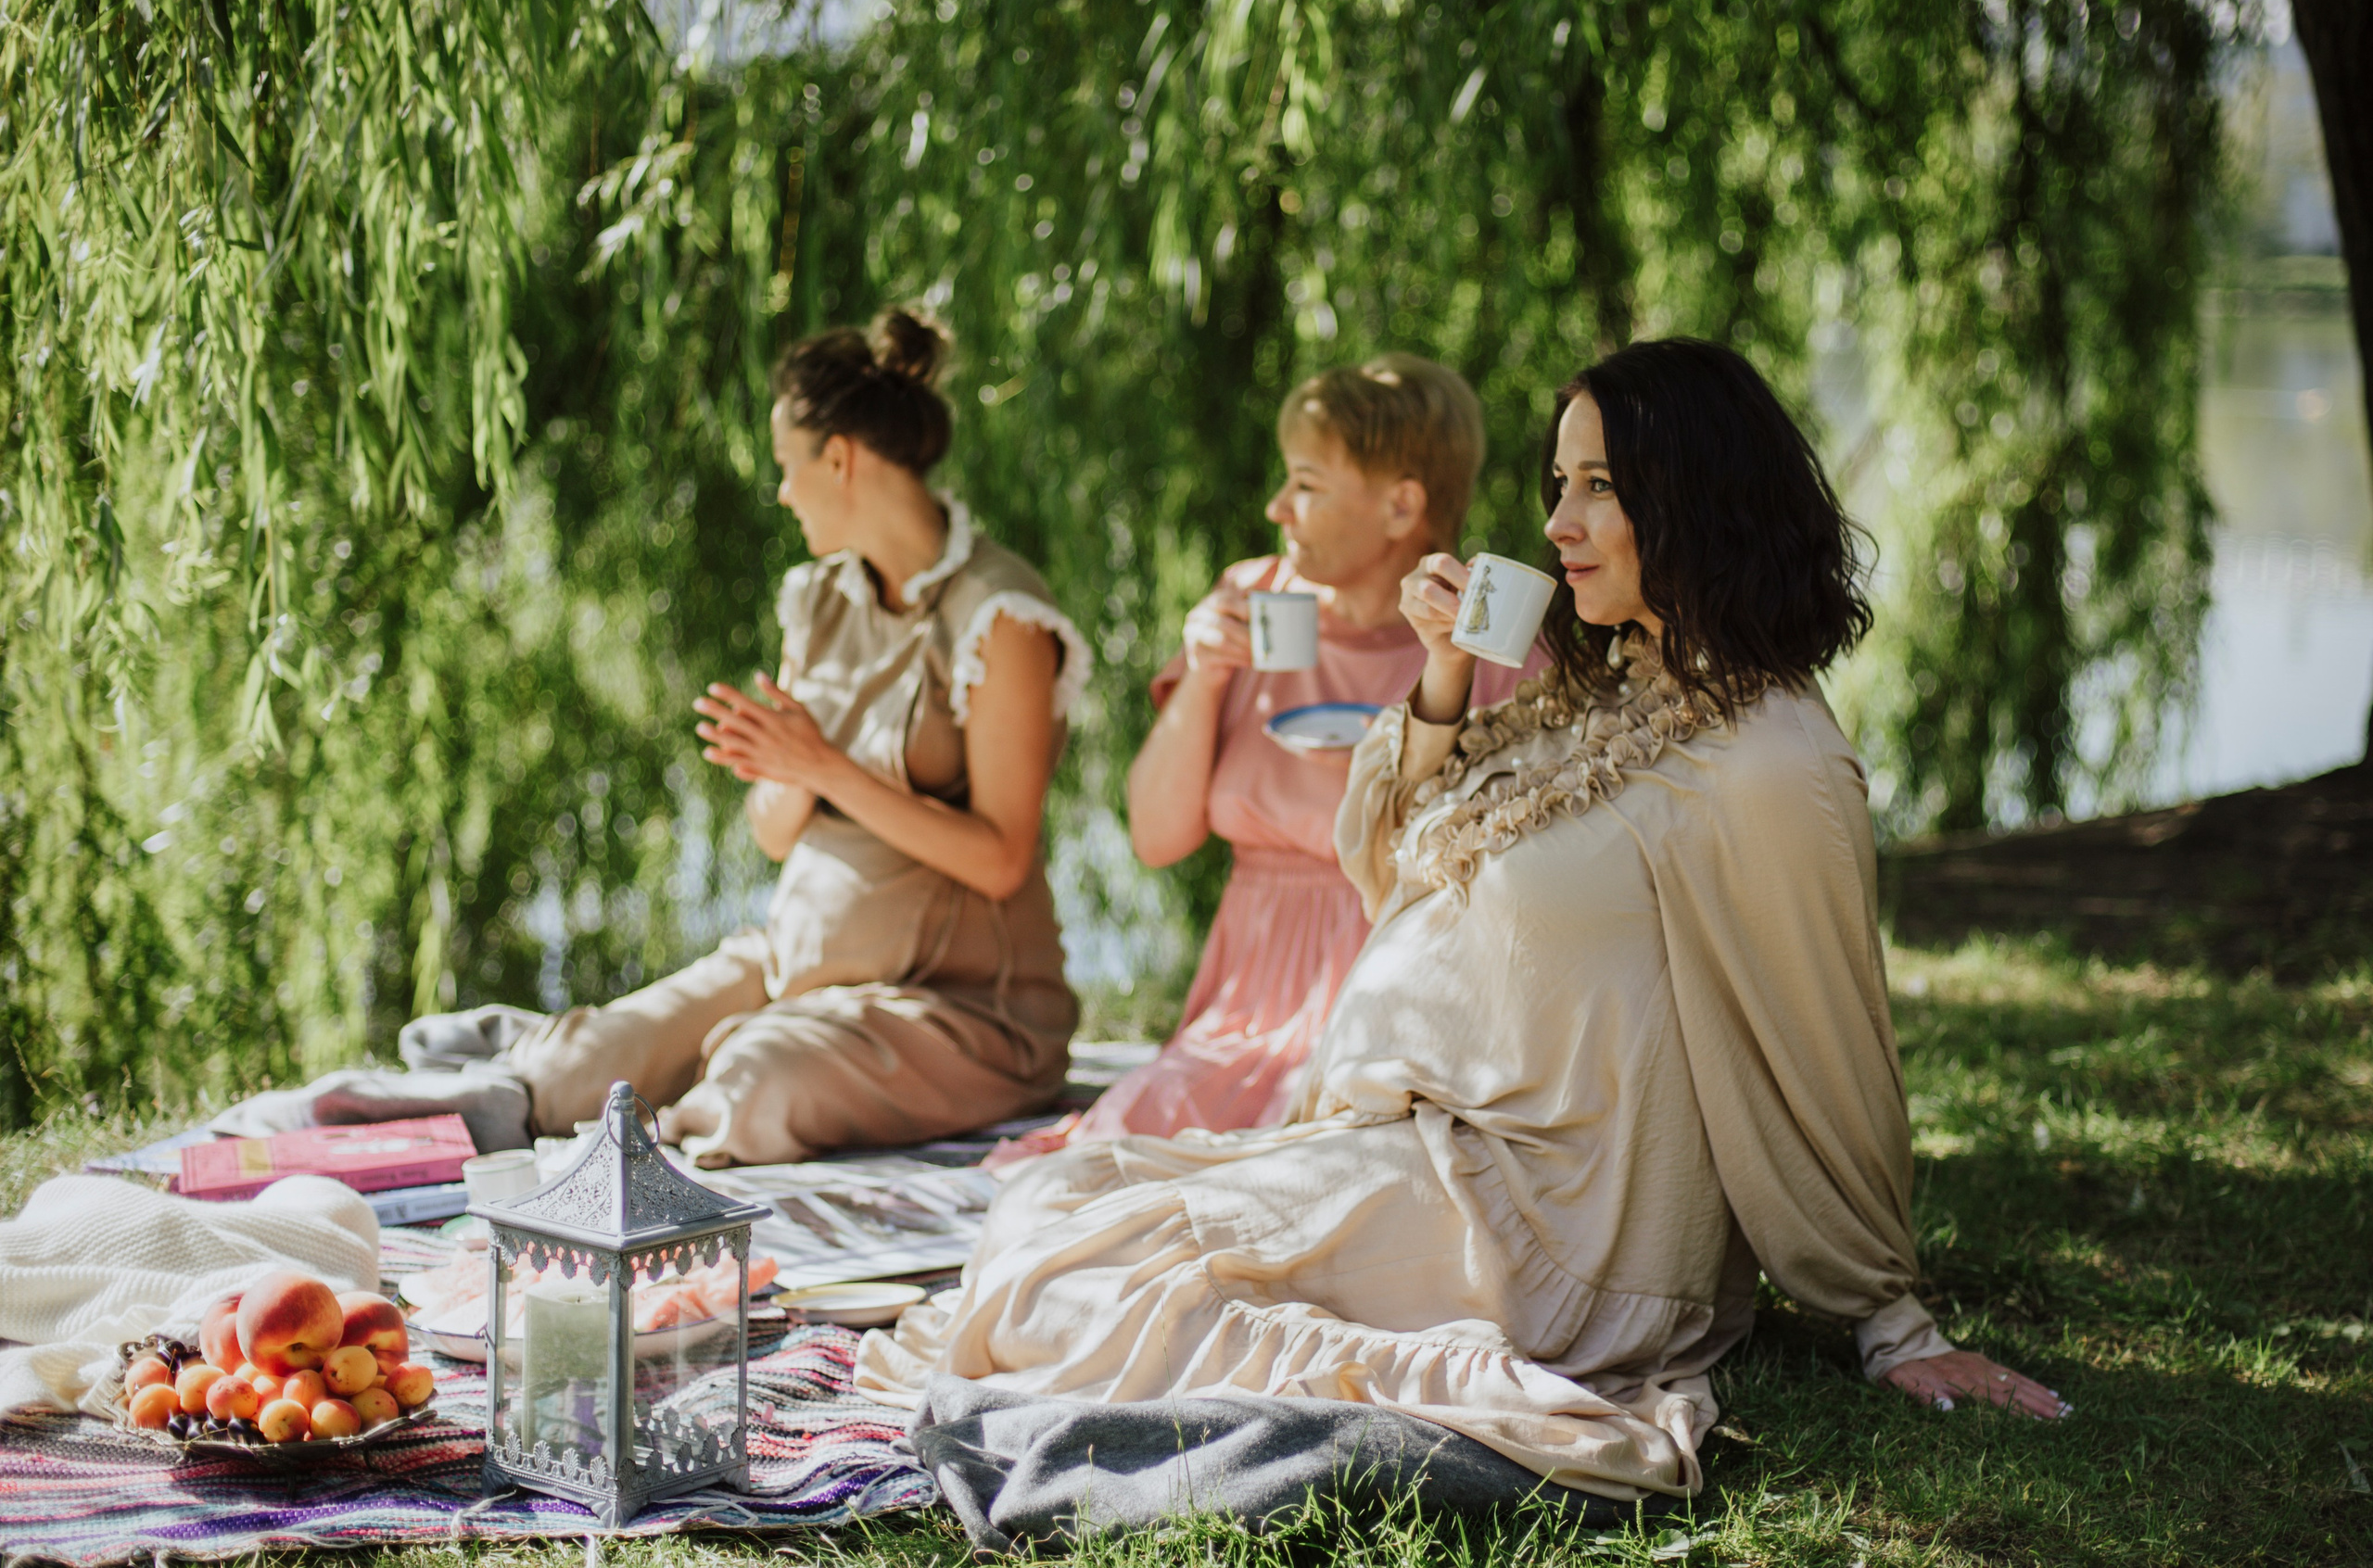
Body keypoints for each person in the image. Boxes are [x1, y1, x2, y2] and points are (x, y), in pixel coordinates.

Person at [856, 338, 2064, 1504]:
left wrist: (1891, 1322)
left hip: (1556, 1228)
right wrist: (1440, 667)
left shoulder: (1769, 762)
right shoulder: (1611, 693)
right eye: (1559, 482)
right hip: (1430, 1153)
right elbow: (1395, 845)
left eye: (1600, 485)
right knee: (1045, 1211)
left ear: (1696, 497)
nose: (1556, 522)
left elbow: (1821, 1036)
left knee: (1052, 1283)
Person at [217, 310, 1089, 1168]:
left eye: (788, 465)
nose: (782, 491)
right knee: (582, 1072)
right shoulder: (816, 600)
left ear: (839, 458)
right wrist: (787, 771)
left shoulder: (1000, 617)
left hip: (963, 1014)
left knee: (757, 1084)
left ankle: (640, 1124)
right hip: (798, 966)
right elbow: (775, 832)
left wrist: (825, 764)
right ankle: (480, 1088)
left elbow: (1001, 858)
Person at [990, 356, 1539, 1165]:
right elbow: (1156, 837)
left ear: (1402, 505)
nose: (1277, 506)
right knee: (1112, 1155)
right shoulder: (1251, 601)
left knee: (1302, 1169)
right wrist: (1204, 676)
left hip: (1400, 988)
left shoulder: (1488, 640)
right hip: (1244, 1005)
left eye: (1307, 484)